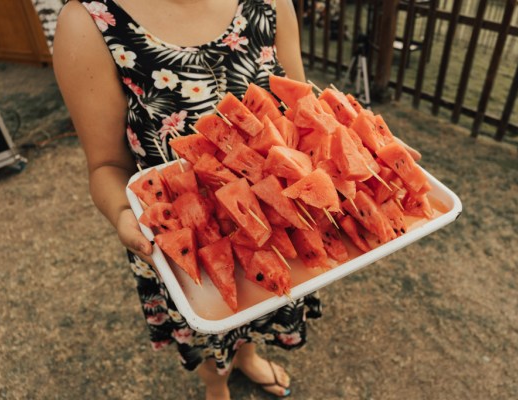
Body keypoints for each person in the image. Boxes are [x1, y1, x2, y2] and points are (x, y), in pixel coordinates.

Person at [53, 0, 322, 399]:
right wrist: (122, 213)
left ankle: (246, 359)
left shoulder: (271, 4)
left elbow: (301, 111)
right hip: (186, 238)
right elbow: (106, 165)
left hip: (273, 222)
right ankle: (216, 386)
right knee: (210, 323)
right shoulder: (88, 24)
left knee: (260, 294)